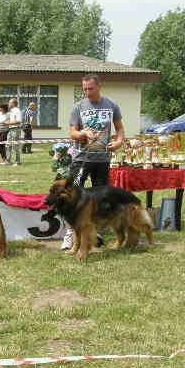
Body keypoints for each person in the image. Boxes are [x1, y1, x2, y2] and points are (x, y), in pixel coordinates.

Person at [61, 73, 125, 250]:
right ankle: (69, 235)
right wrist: (82, 134)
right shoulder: (78, 107)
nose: (87, 92)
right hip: (81, 158)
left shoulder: (112, 105)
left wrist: (119, 142)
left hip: (103, 159)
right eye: (84, 89)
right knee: (72, 196)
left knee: (100, 199)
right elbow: (72, 133)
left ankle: (94, 232)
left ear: (99, 86)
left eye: (90, 88)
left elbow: (120, 130)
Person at [5, 98, 23, 165]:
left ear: (13, 103)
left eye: (10, 102)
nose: (8, 104)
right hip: (11, 129)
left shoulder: (17, 110)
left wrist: (9, 123)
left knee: (15, 146)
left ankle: (17, 162)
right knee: (8, 145)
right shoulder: (12, 110)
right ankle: (8, 161)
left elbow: (19, 121)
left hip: (16, 129)